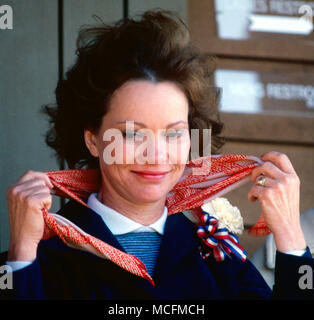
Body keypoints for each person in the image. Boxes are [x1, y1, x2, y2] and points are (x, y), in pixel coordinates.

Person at [1, 9, 313, 300]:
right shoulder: (43, 255)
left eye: (173, 132)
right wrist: (20, 256)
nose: (156, 155)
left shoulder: (217, 252)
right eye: (132, 133)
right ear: (93, 139)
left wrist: (290, 237)